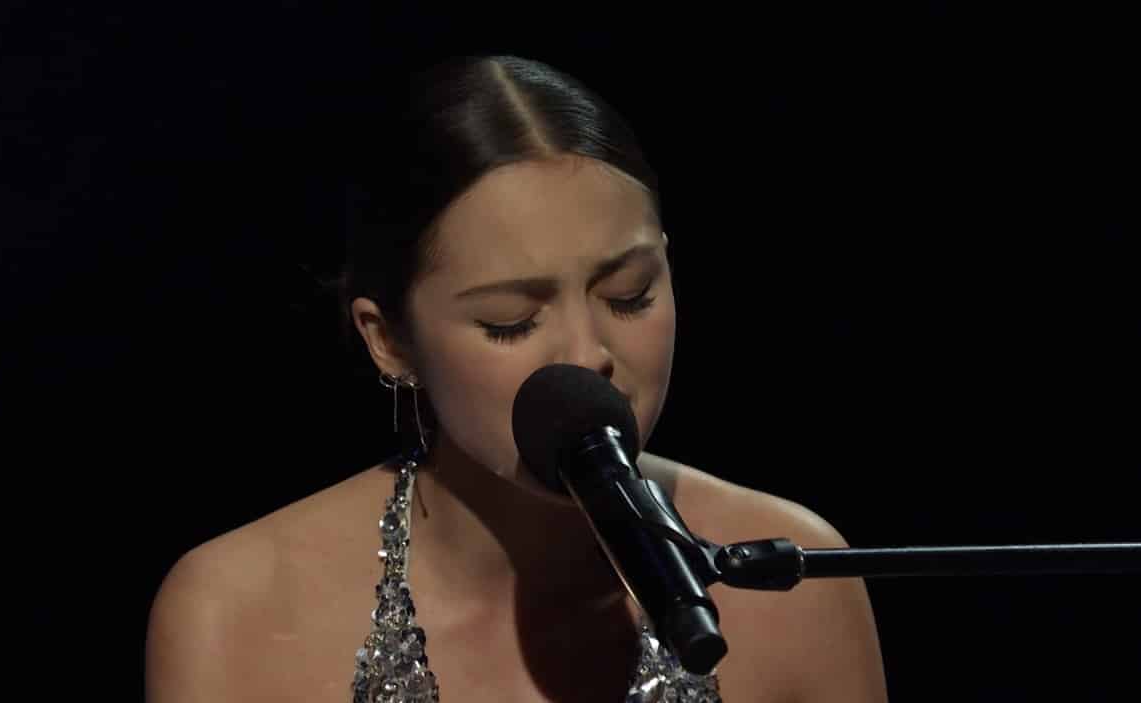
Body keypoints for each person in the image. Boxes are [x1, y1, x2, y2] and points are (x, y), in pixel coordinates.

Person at [144, 55, 887, 702]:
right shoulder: (238, 610)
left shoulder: (794, 578)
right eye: (510, 320)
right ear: (389, 339)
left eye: (629, 295)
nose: (586, 355)